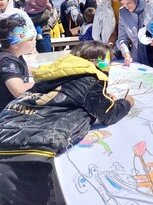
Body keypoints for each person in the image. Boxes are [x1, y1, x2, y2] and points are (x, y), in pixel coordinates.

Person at [0, 40, 134, 204]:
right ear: (101, 63)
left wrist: (101, 98)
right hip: (28, 156)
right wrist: (127, 102)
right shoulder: (90, 79)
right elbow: (109, 114)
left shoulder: (53, 74)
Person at [0, 14, 35, 111]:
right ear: (15, 44)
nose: (33, 42)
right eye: (30, 39)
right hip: (6, 114)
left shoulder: (13, 56)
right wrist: (46, 83)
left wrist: (46, 70)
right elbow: (18, 90)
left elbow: (24, 68)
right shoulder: (7, 62)